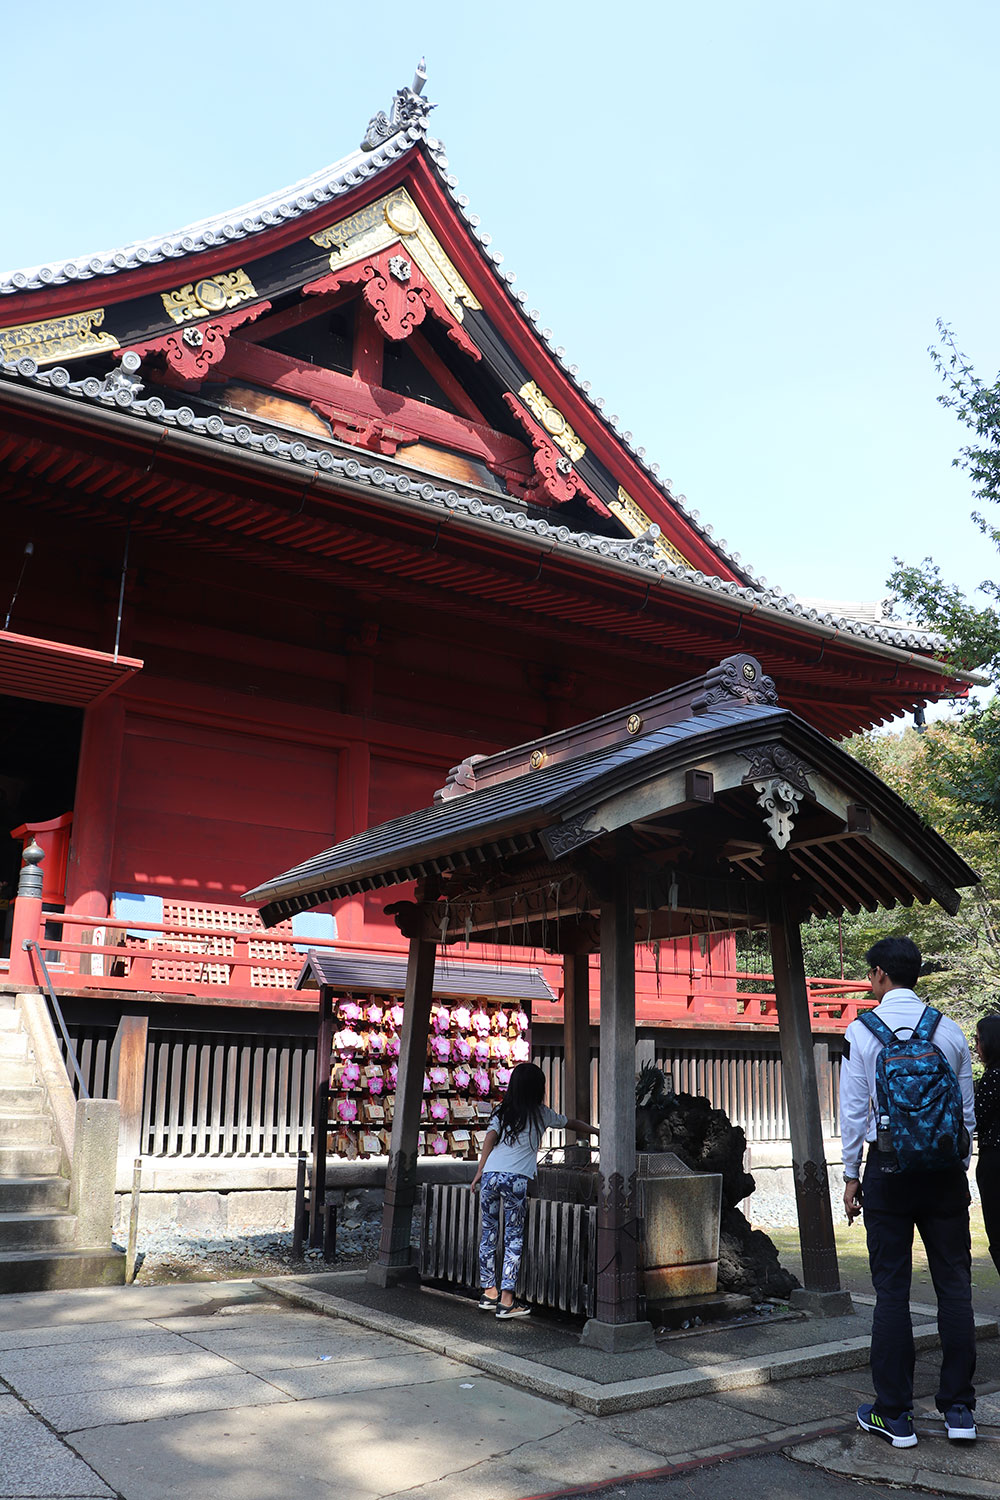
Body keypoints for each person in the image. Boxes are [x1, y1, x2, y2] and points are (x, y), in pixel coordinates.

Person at [840, 936, 977, 1448]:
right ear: (916, 974)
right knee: (955, 1287)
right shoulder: (951, 1031)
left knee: (892, 1292)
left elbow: (854, 1113)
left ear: (878, 975)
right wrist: (957, 1165)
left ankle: (894, 1415)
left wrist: (851, 1175)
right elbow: (964, 1115)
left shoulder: (862, 1032)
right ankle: (959, 1409)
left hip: (888, 1172)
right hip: (944, 1176)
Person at [470, 1060, 598, 1318]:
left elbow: (490, 1139)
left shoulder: (501, 1111)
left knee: (489, 1234)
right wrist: (596, 1131)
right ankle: (507, 1302)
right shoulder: (540, 1113)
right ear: (538, 1088)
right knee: (513, 1239)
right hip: (515, 1179)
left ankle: (489, 1292)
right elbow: (571, 1123)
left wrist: (480, 1171)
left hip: (491, 1176)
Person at [975, 1014, 1000, 1276]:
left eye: (979, 1040)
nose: (977, 1047)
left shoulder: (993, 1077)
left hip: (995, 1159)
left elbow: (977, 1118)